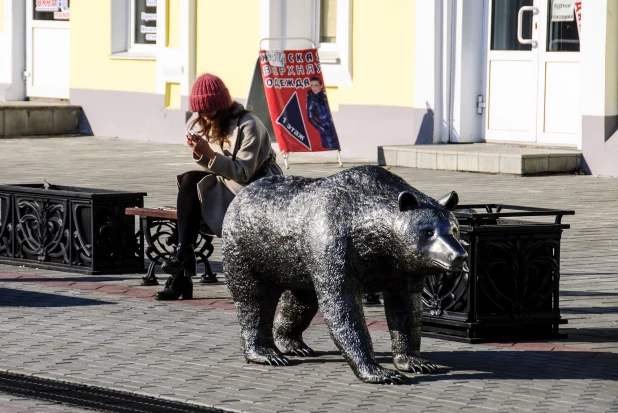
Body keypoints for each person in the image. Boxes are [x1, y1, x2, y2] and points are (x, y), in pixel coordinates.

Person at [156, 73, 283, 300]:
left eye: (210, 110)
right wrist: (200, 153)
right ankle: (183, 255)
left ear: (222, 106)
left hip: (258, 189)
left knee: (192, 197)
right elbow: (216, 169)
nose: (205, 116)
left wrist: (209, 154)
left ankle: (182, 274)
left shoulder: (249, 125)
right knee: (188, 181)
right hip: (230, 184)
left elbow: (243, 173)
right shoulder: (208, 123)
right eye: (200, 111)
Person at [306, 76, 340, 150]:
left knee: (338, 145)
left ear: (321, 86)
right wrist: (322, 128)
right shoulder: (311, 99)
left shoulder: (325, 96)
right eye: (312, 85)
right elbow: (310, 118)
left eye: (316, 85)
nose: (313, 88)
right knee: (331, 146)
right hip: (325, 126)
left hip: (333, 125)